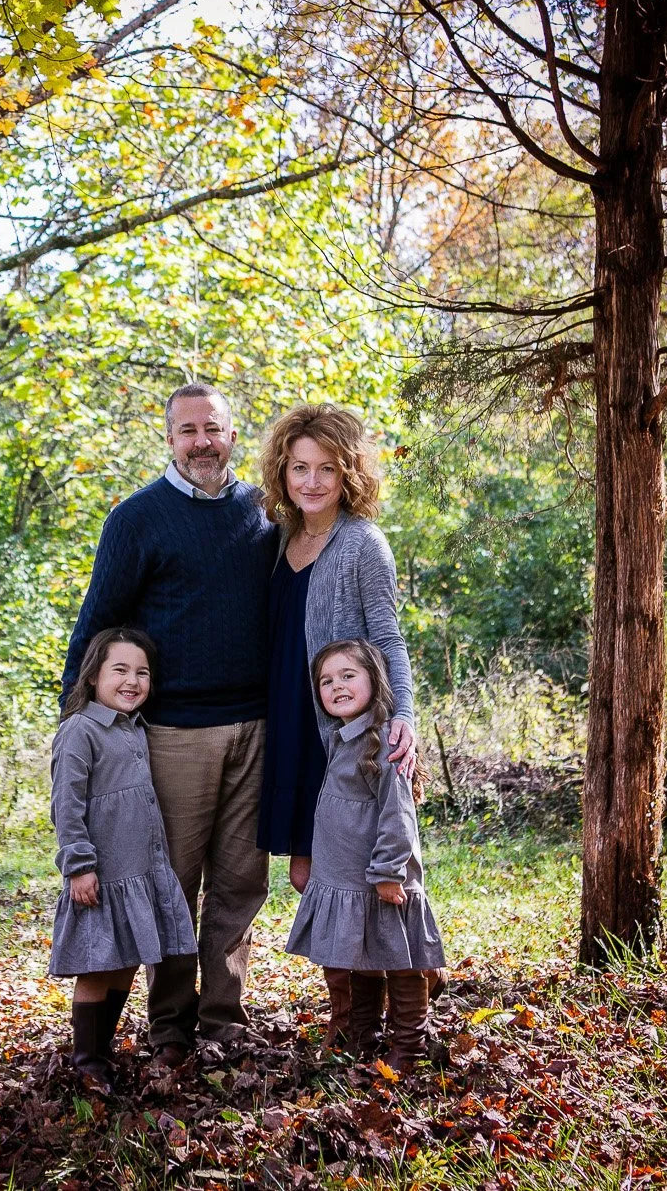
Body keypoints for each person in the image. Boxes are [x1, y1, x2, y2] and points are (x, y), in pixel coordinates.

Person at [62, 385, 281, 1063]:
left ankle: (223, 1020)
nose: (201, 442)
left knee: (241, 883)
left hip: (257, 725)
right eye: (187, 430)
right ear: (169, 438)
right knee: (171, 884)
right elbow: (98, 619)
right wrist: (78, 719)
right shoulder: (136, 518)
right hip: (173, 732)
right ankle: (170, 1026)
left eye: (213, 428)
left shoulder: (264, 512)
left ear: (234, 434)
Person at [254, 402, 419, 1054]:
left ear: (349, 472)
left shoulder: (363, 543)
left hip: (347, 741)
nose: (313, 480)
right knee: (309, 877)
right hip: (290, 730)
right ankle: (350, 1020)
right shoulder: (276, 540)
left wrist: (402, 712)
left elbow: (389, 640)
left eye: (327, 467)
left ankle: (391, 1027)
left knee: (362, 879)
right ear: (283, 471)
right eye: (300, 467)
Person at [282, 639, 445, 1074]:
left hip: (381, 881)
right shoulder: (340, 739)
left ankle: (409, 1046)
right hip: (348, 882)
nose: (336, 686)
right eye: (326, 681)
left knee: (399, 961)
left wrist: (389, 873)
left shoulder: (384, 743)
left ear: (375, 679)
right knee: (359, 959)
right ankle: (364, 1036)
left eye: (348, 676)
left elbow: (398, 816)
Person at [49, 627, 198, 1096]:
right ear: (93, 675)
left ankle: (103, 1052)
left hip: (140, 871)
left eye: (142, 673)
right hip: (104, 874)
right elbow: (66, 804)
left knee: (123, 963)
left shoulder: (136, 729)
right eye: (120, 670)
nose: (132, 680)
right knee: (97, 966)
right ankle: (87, 1061)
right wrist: (79, 864)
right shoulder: (80, 731)